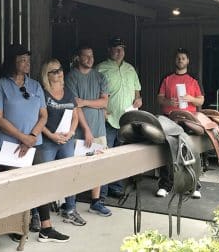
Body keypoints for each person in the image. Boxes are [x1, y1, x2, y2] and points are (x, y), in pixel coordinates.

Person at [0, 43, 70, 243]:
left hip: (35, 143)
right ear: (12, 62)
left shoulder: (34, 85)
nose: (27, 63)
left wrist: (32, 136)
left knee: (40, 181)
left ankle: (46, 228)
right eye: (22, 60)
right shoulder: (1, 85)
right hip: (9, 145)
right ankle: (17, 226)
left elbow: (43, 115)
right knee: (17, 185)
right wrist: (22, 137)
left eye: (28, 60)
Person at [35, 58, 86, 226]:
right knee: (43, 177)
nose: (59, 73)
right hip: (48, 141)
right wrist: (51, 135)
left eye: (60, 70)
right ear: (47, 75)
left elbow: (75, 115)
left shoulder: (68, 91)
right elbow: (37, 119)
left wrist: (71, 132)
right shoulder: (42, 93)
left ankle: (70, 209)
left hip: (66, 140)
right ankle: (36, 214)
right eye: (54, 71)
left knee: (70, 174)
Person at [65, 45, 112, 217]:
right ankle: (71, 204)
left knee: (98, 167)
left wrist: (84, 101)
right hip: (79, 132)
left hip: (99, 129)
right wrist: (86, 130)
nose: (90, 59)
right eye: (86, 56)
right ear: (78, 58)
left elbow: (104, 103)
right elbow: (75, 107)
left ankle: (95, 202)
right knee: (77, 169)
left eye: (91, 56)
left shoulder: (100, 76)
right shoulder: (71, 77)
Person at [97, 36, 142, 200]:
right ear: (109, 50)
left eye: (121, 48)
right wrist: (100, 109)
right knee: (103, 155)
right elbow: (95, 94)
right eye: (115, 48)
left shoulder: (130, 69)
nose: (119, 51)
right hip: (108, 120)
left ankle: (115, 187)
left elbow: (137, 93)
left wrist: (139, 100)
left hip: (126, 120)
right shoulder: (101, 69)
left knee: (119, 156)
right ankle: (100, 192)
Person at [156, 47, 204, 199]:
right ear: (175, 60)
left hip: (188, 120)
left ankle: (194, 186)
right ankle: (165, 185)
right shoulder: (167, 78)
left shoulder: (193, 79)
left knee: (190, 151)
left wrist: (191, 99)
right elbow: (159, 98)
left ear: (187, 61)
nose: (180, 60)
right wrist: (168, 101)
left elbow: (201, 100)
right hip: (169, 119)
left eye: (183, 58)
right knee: (166, 152)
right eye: (178, 58)